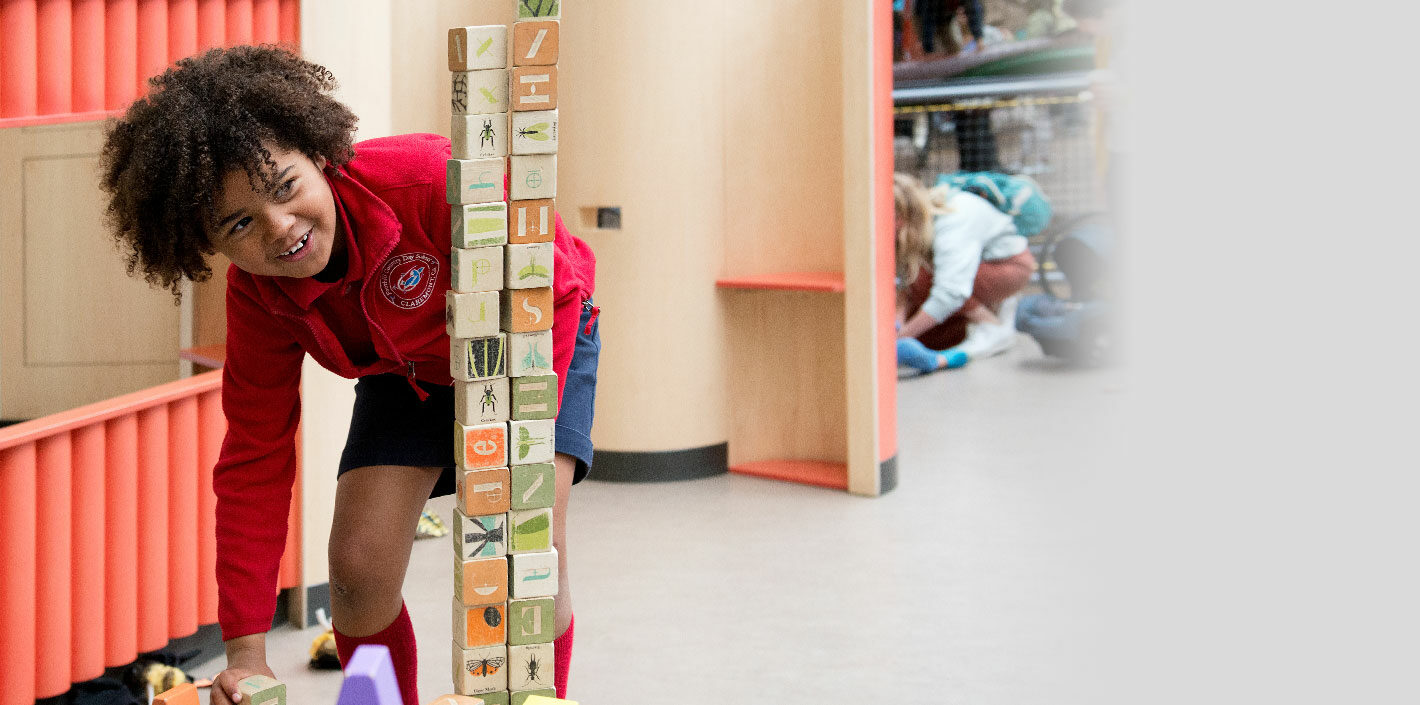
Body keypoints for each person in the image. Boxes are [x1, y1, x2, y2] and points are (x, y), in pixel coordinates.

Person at [98, 46, 598, 705]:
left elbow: (551, 285)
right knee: (357, 568)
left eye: (284, 187)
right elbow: (255, 457)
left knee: (529, 555)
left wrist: (521, 432)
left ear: (320, 155)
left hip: (531, 334)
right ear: (209, 245)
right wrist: (246, 654)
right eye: (240, 223)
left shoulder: (422, 180)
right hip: (407, 372)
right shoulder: (257, 296)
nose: (280, 227)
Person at [894, 172, 1035, 373]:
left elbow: (950, 293)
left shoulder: (953, 220)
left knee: (923, 279)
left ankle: (992, 326)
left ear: (903, 216)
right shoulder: (920, 222)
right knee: (931, 336)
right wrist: (896, 330)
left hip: (1009, 266)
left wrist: (902, 336)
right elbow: (903, 289)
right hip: (970, 268)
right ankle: (984, 323)